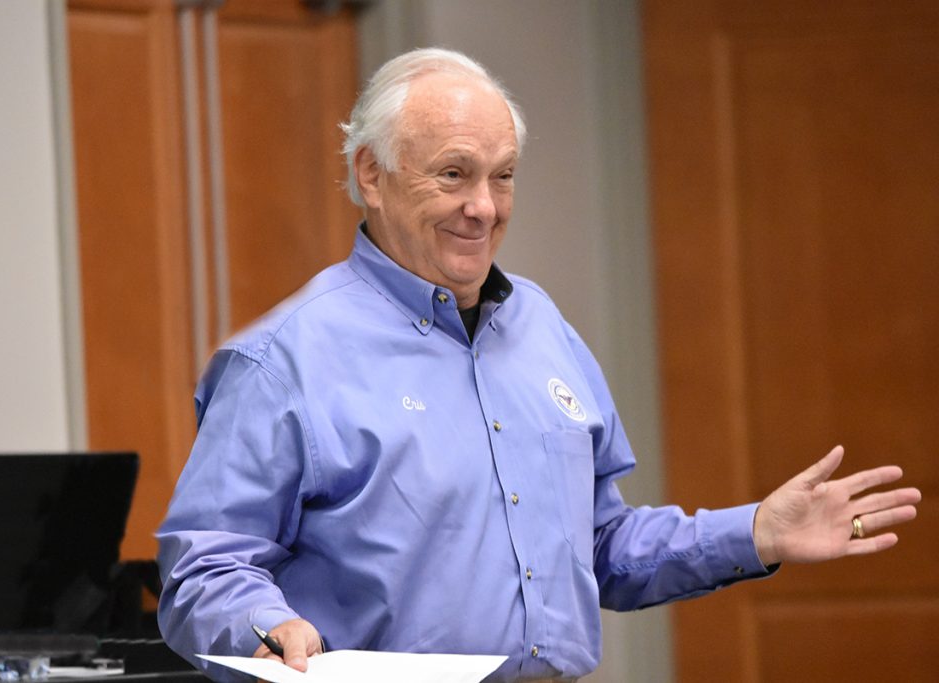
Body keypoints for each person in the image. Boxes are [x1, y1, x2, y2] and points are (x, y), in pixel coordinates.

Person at [156, 48, 921, 683]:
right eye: (453, 174)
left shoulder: (542, 326)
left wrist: (753, 531)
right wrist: (267, 626)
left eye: (503, 175)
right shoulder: (283, 358)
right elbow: (205, 567)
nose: (483, 207)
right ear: (371, 175)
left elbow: (599, 545)